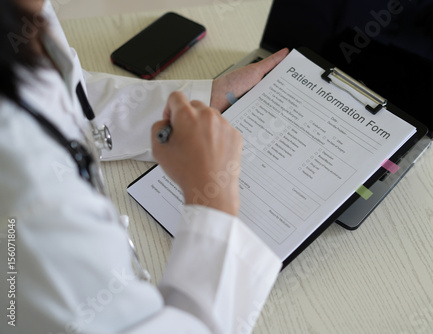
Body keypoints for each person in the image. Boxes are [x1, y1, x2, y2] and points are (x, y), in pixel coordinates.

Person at [0, 0, 289, 333]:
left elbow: (62, 93)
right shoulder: (34, 208)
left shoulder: (19, 19)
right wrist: (213, 198)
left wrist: (209, 97)